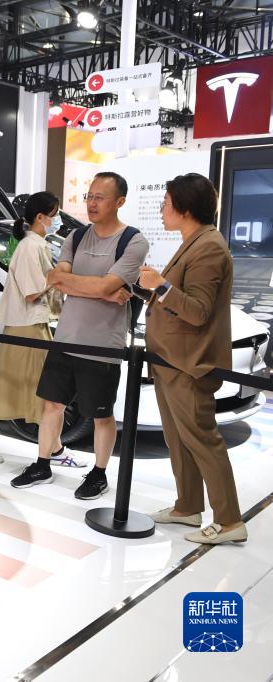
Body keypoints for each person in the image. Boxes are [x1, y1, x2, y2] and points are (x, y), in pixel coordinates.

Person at [10, 172, 148, 499]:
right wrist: (102, 290)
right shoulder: (77, 236)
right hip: (66, 338)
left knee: (101, 415)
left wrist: (94, 286)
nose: (92, 203)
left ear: (120, 201)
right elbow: (55, 279)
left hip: (102, 345)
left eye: (100, 197)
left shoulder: (133, 241)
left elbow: (90, 283)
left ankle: (99, 473)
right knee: (51, 405)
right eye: (89, 196)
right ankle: (43, 463)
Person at [140, 174, 246, 545]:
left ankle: (229, 521)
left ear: (185, 207)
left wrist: (161, 285)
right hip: (172, 360)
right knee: (179, 439)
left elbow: (198, 311)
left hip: (189, 362)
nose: (162, 209)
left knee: (202, 439)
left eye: (166, 202)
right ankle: (187, 506)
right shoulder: (195, 242)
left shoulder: (209, 247)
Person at [0, 191, 72, 466]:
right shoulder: (31, 247)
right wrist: (57, 278)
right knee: (14, 387)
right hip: (28, 327)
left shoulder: (34, 245)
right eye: (55, 215)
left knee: (23, 387)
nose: (58, 220)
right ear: (41, 217)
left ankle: (54, 449)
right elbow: (32, 292)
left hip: (31, 326)